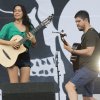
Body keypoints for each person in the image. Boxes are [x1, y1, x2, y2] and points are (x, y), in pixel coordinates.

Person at [64, 10, 100, 100]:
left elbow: (89, 52)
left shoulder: (91, 34)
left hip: (89, 68)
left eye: (79, 21)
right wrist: (71, 48)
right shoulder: (86, 34)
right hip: (91, 69)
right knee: (87, 97)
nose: (77, 24)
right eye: (76, 22)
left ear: (86, 20)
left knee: (69, 86)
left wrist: (72, 50)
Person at [0, 4, 36, 83]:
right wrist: (10, 43)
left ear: (23, 13)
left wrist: (33, 40)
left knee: (25, 86)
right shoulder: (8, 26)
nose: (16, 12)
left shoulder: (29, 27)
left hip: (25, 56)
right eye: (15, 11)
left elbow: (33, 44)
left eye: (19, 11)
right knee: (14, 85)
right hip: (11, 56)